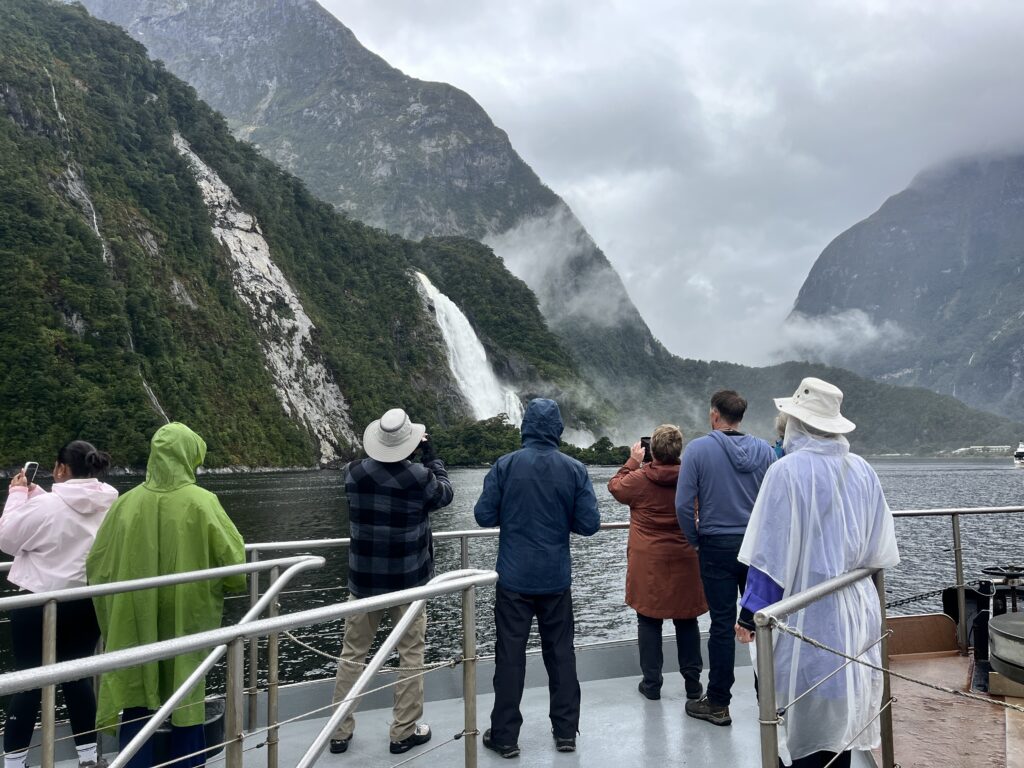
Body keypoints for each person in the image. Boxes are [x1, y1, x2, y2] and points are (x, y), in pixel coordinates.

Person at [735, 378, 900, 768]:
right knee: (839, 712)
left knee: (800, 705)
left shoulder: (786, 472)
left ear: (794, 424)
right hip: (855, 610)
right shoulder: (862, 470)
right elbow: (878, 549)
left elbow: (769, 558)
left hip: (804, 612)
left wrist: (748, 616)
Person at [86, 423, 246, 768]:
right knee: (187, 693)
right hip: (188, 615)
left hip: (133, 617)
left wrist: (113, 609)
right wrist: (229, 587)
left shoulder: (125, 504)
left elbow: (97, 565)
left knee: (137, 693)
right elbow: (234, 565)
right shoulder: (203, 503)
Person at [474, 398, 600, 759]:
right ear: (558, 429)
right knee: (561, 655)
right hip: (555, 579)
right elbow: (589, 524)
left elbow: (484, 516)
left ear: (525, 426)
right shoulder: (574, 469)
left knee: (509, 657)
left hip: (514, 579)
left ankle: (505, 736)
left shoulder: (505, 465)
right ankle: (566, 733)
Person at [330, 408, 453, 756]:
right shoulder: (419, 477)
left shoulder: (352, 473)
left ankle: (338, 732)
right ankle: (403, 732)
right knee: (410, 655)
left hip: (363, 583)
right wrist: (430, 456)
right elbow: (444, 494)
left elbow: (373, 476)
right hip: (408, 583)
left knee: (352, 655)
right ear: (410, 443)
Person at [0, 442, 118, 768]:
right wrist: (35, 494)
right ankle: (88, 759)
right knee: (77, 679)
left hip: (38, 602)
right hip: (85, 602)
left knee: (28, 683)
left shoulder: (48, 505)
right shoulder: (111, 501)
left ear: (61, 469)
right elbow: (64, 512)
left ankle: (14, 763)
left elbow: (7, 538)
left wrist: (17, 495)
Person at [675, 389, 775, 726]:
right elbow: (774, 501)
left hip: (716, 545)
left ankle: (718, 703)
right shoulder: (765, 451)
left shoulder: (698, 450)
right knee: (761, 621)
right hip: (756, 548)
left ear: (715, 414)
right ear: (740, 417)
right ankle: (770, 700)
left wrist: (695, 540)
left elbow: (683, 504)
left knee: (721, 624)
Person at [608, 425, 707, 702]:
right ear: (678, 450)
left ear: (652, 450)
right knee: (687, 621)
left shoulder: (638, 479)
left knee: (648, 620)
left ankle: (652, 684)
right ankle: (693, 685)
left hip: (648, 562)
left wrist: (632, 461)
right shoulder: (692, 477)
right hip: (686, 558)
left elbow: (614, 486)